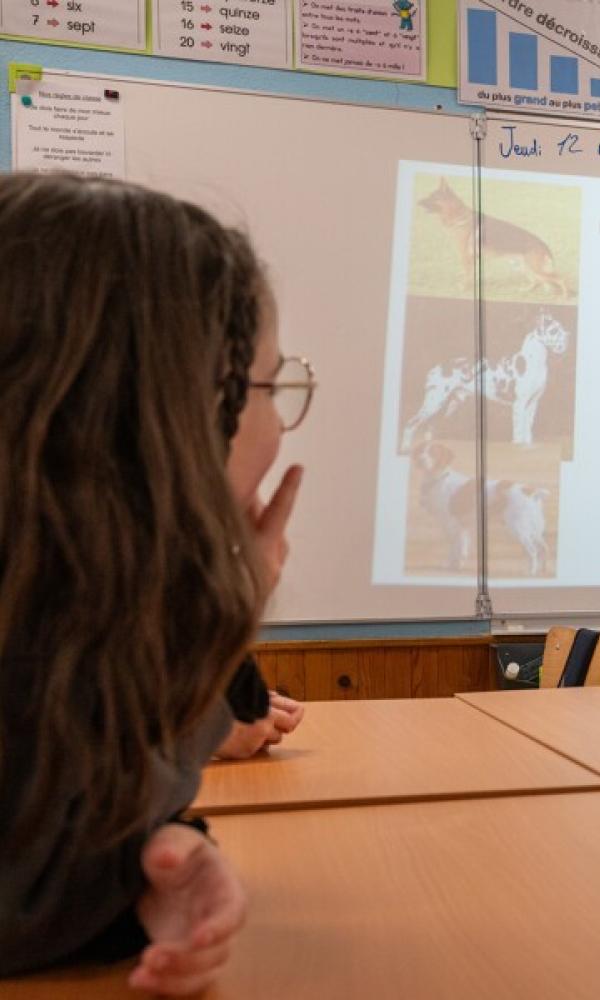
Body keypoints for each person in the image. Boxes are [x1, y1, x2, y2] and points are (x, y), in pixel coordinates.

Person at [0, 172, 308, 993]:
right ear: (169, 411)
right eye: (271, 387)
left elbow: (49, 842)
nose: (280, 424)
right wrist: (220, 623)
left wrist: (149, 871)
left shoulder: (61, 599)